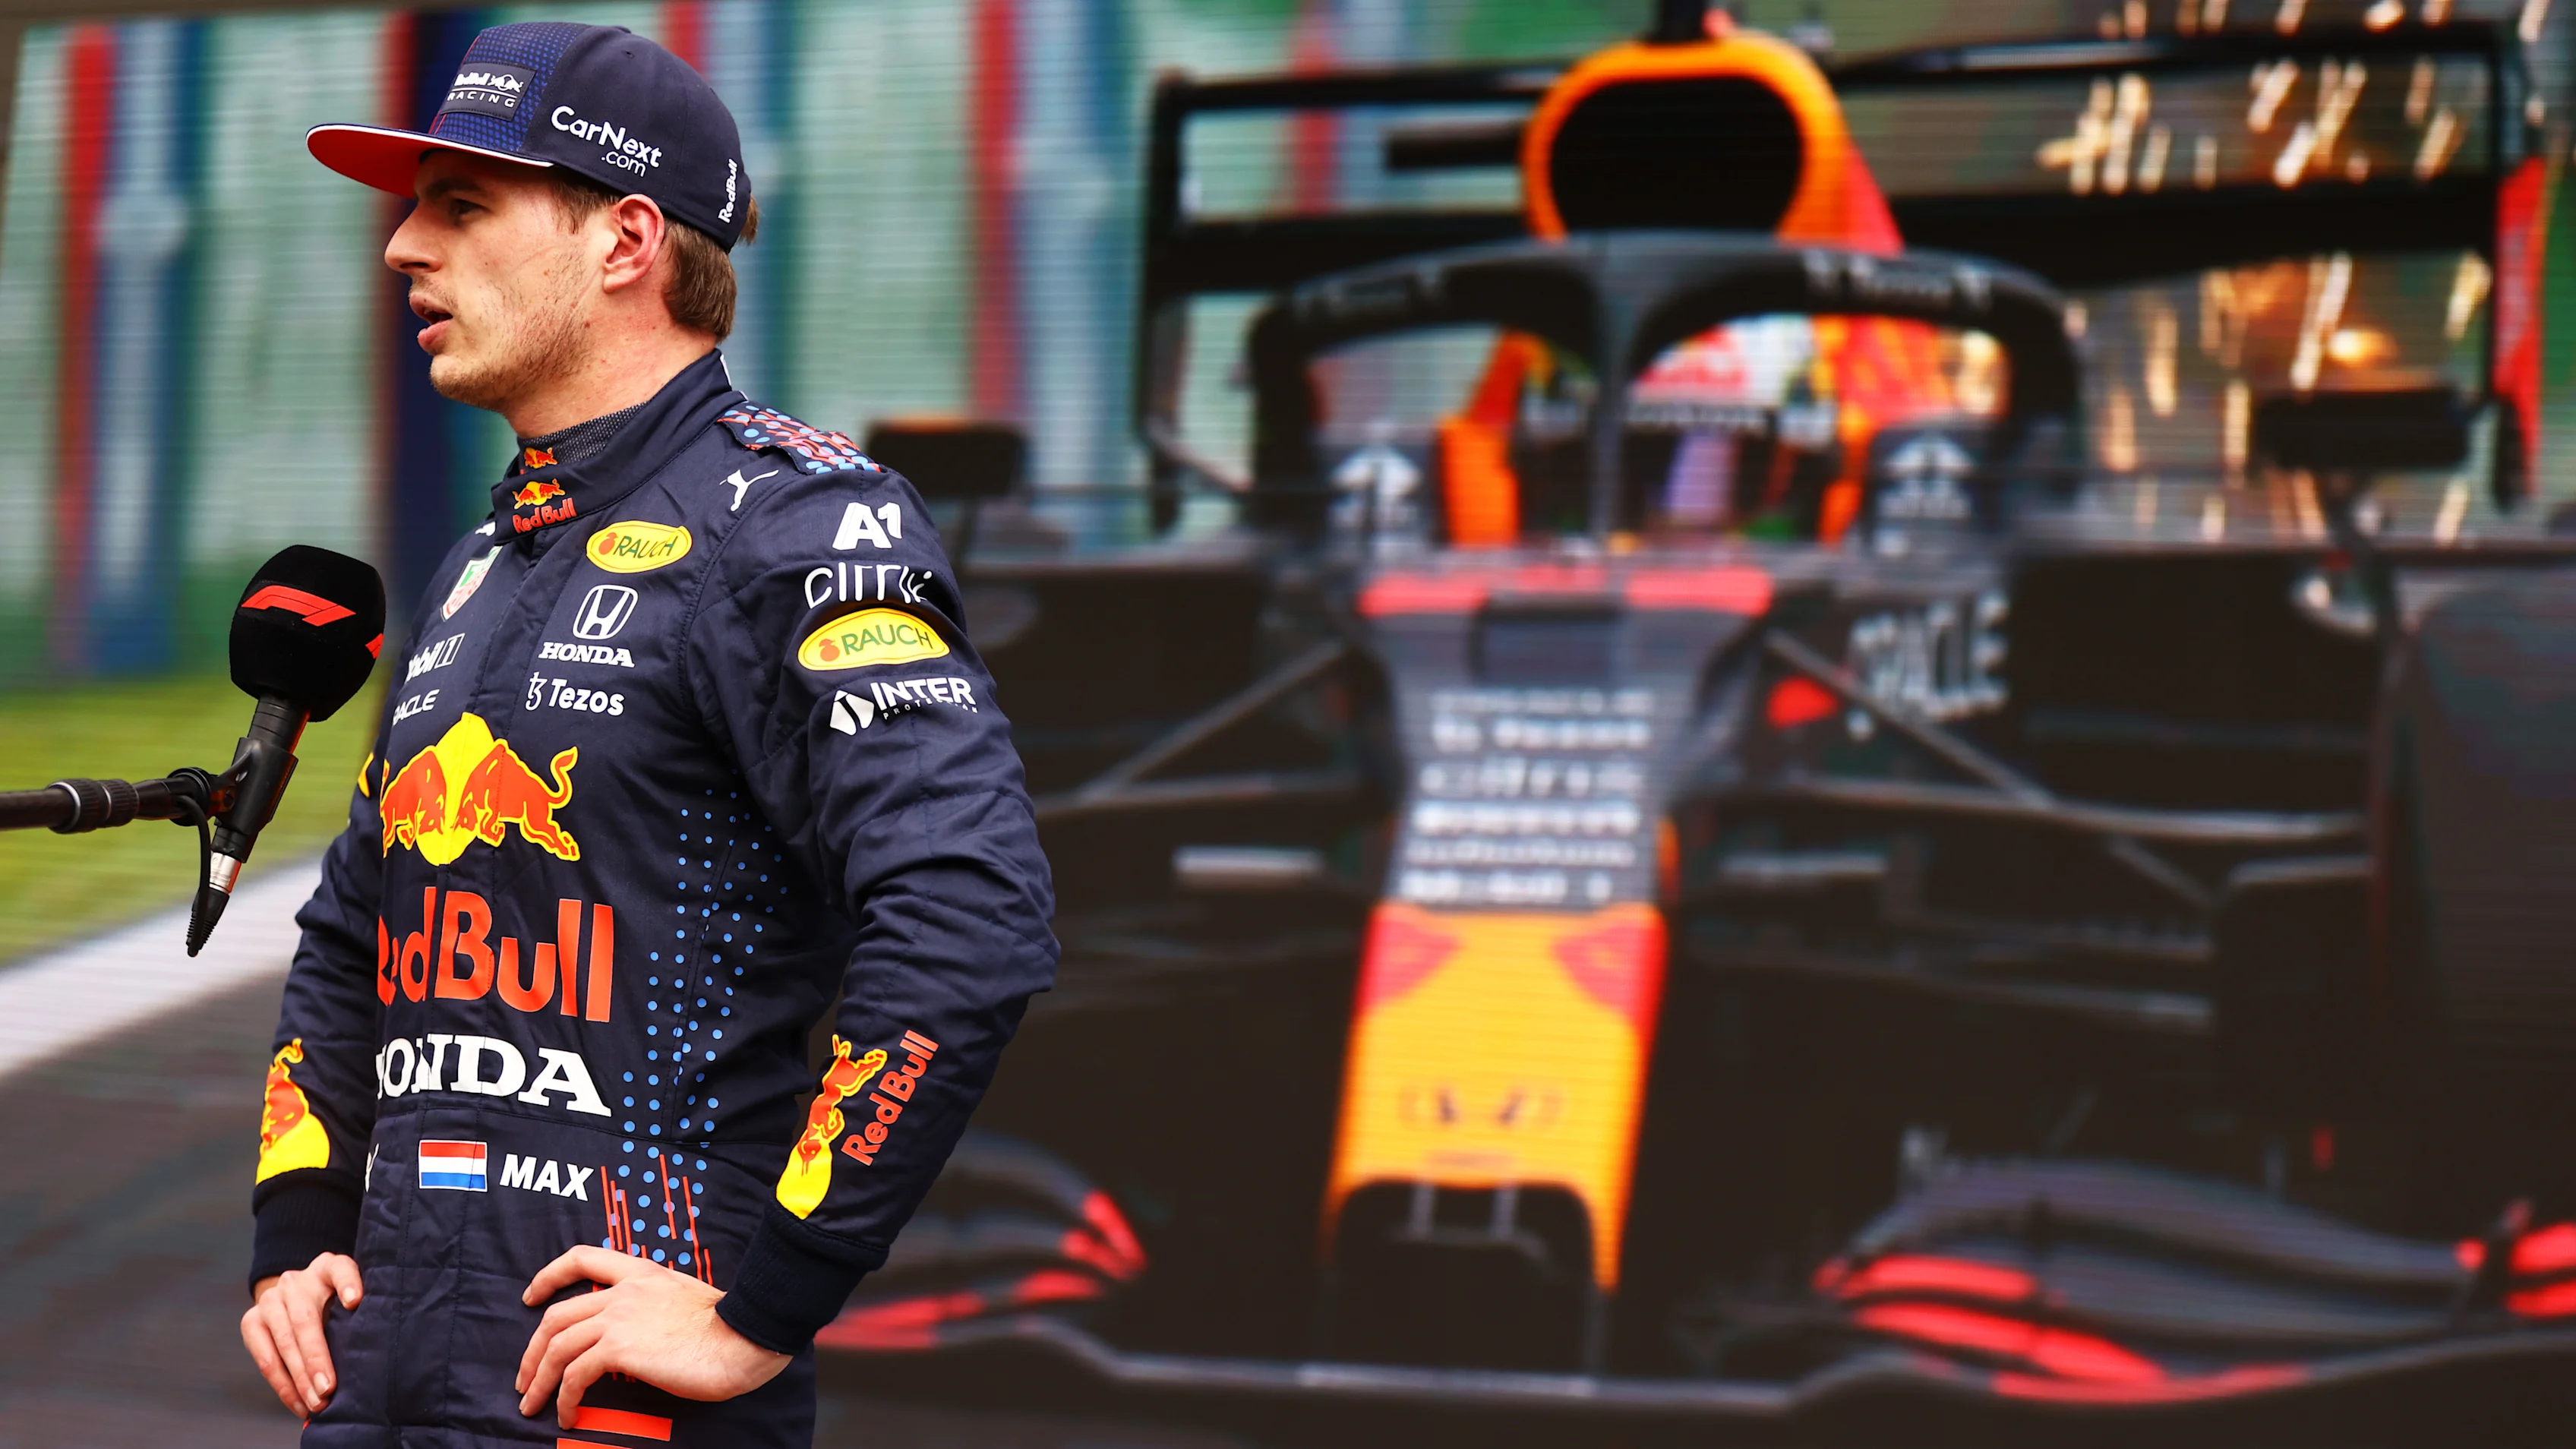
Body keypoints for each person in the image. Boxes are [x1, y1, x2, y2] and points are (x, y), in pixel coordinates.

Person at [235, 24, 1058, 1446]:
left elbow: (969, 916)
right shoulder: (482, 563)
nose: (402, 249)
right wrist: (297, 1229)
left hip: (616, 1388)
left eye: (462, 204)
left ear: (624, 240)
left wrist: (761, 1308)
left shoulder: (796, 526)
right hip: (385, 1378)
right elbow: (356, 933)